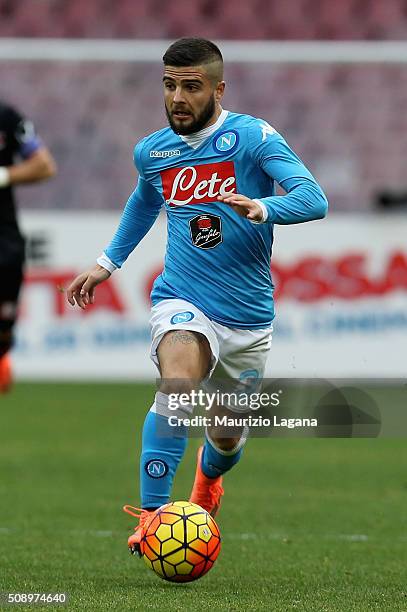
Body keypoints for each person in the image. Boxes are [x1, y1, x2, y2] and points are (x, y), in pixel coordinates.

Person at [66, 38, 328, 555]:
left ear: (218, 88)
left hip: (248, 318)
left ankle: (209, 483)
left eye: (191, 86)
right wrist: (107, 263)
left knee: (226, 438)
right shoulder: (153, 150)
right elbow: (145, 200)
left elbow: (313, 198)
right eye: (169, 85)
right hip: (182, 297)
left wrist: (263, 208)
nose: (177, 97)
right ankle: (152, 517)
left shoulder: (252, 137)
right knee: (178, 385)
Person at [0, 100, 57, 392]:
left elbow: (45, 165)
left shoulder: (6, 117)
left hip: (4, 245)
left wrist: (4, 175)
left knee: (3, 331)